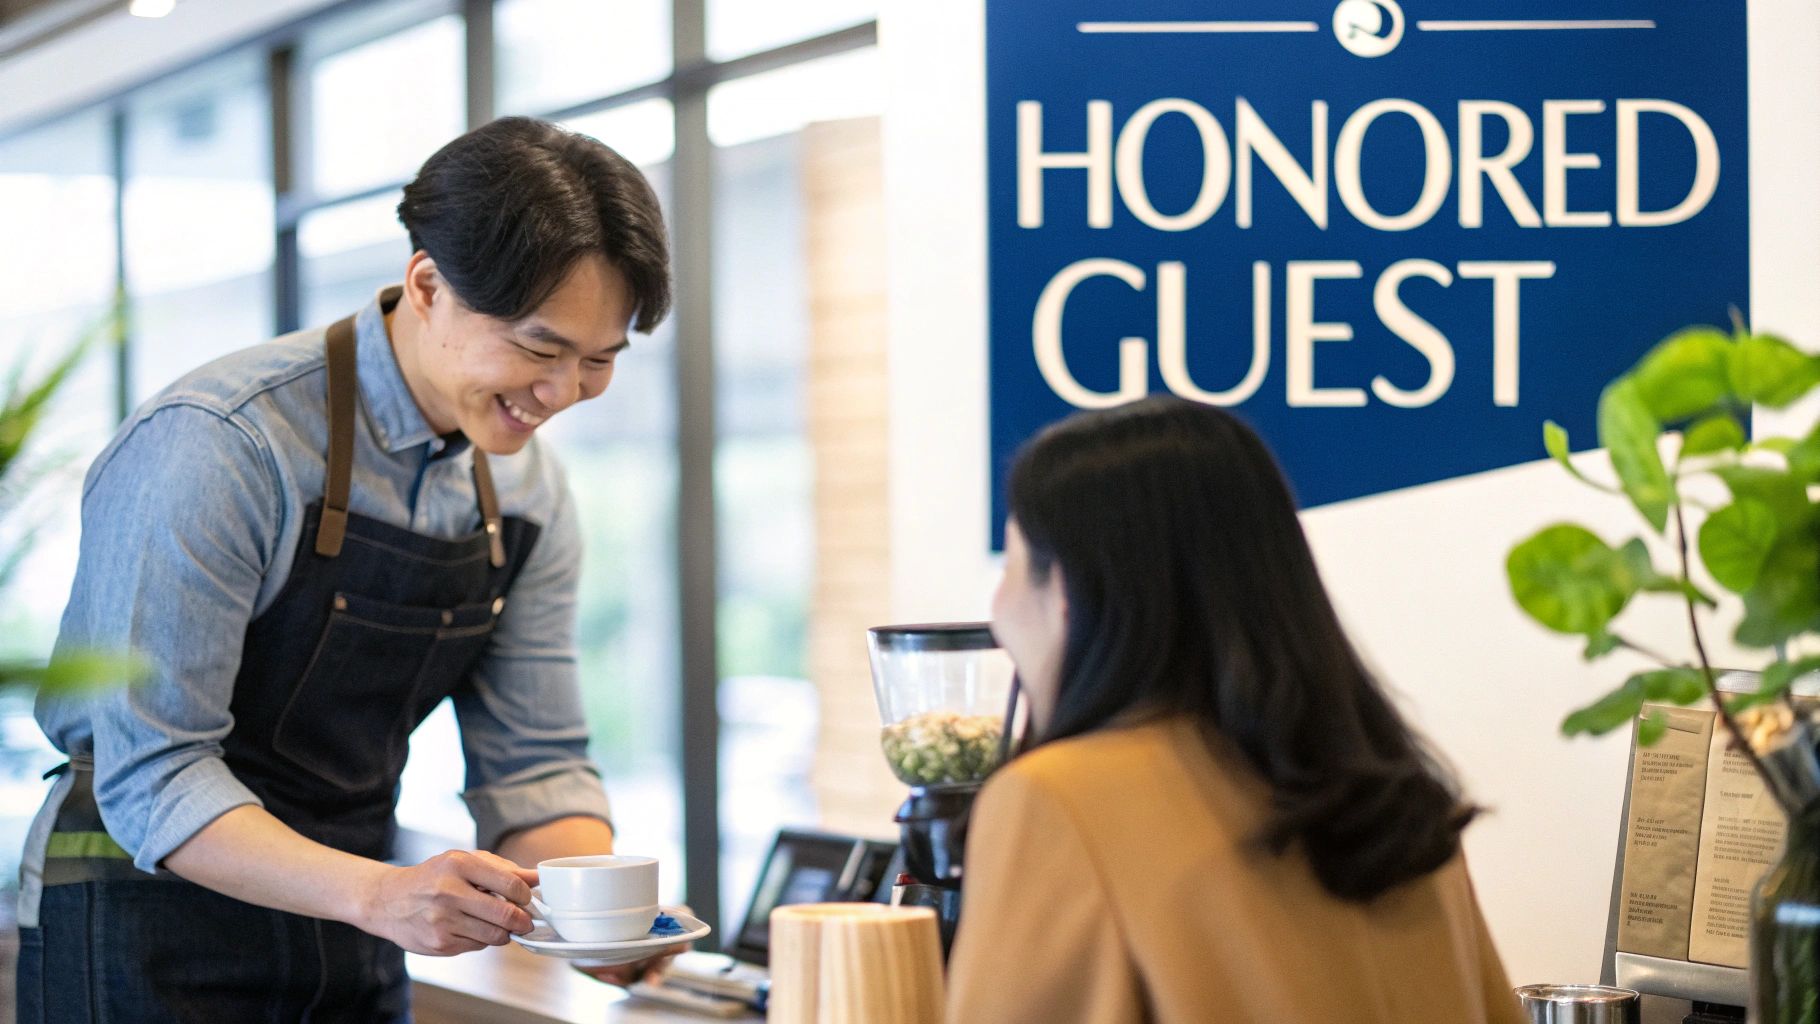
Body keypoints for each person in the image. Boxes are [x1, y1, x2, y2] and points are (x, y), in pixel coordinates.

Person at [15, 116, 675, 1022]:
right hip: (144, 921)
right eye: (538, 348)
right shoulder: (224, 444)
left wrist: (598, 916)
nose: (562, 393)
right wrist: (378, 894)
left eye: (598, 360)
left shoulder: (528, 491)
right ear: (427, 285)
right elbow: (155, 776)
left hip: (356, 925)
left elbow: (534, 762)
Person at [946, 397, 1526, 1023]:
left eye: (1012, 565)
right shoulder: (1395, 800)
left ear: (1065, 591)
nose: (999, 611)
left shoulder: (1056, 802)